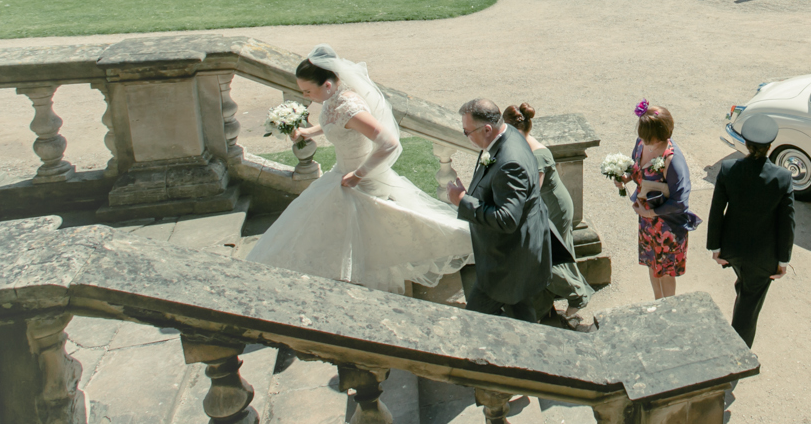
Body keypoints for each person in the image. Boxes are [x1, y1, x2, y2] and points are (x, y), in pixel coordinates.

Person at [246, 46, 473, 294]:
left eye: (308, 91)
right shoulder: (334, 99)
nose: (306, 96)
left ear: (328, 86)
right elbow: (335, 123)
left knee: (388, 232)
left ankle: (473, 239)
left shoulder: (349, 106)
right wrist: (308, 131)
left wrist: (358, 175)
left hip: (359, 180)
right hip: (341, 175)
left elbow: (389, 143)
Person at [448, 98, 555, 321]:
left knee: (475, 320)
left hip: (507, 261)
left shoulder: (509, 163)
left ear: (487, 129)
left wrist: (462, 201)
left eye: (467, 131)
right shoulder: (509, 133)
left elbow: (507, 219)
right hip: (517, 256)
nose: (466, 136)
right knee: (521, 312)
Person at [503, 103, 595, 328]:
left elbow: (530, 193)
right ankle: (543, 308)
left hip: (554, 208)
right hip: (547, 204)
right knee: (555, 253)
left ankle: (577, 297)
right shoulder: (523, 144)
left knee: (546, 257)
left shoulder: (535, 156)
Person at [707, 113, 794, 347]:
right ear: (770, 146)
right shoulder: (783, 177)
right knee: (749, 304)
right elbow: (787, 223)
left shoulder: (727, 169)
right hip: (763, 257)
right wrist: (783, 261)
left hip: (731, 249)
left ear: (746, 143)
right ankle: (739, 353)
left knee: (745, 286)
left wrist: (715, 247)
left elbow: (717, 211)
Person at [629, 102, 701, 299]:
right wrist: (624, 178)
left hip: (666, 226)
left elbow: (681, 202)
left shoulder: (674, 159)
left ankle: (668, 308)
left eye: (647, 137)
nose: (642, 141)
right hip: (647, 222)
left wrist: (649, 213)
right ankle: (658, 301)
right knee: (653, 266)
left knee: (666, 272)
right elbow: (635, 168)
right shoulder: (641, 142)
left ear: (661, 135)